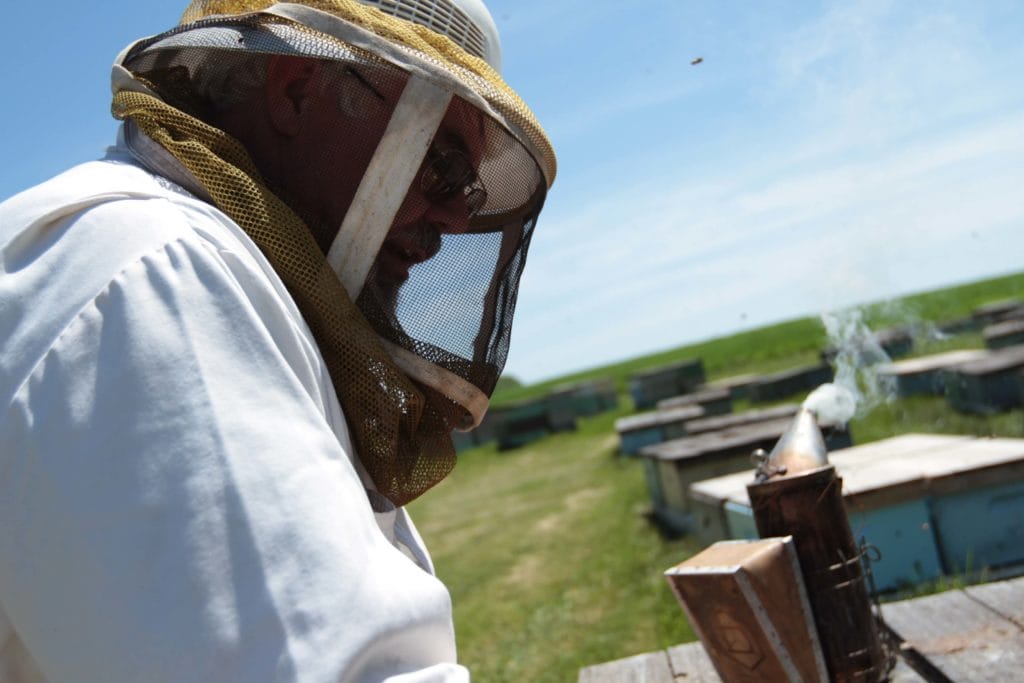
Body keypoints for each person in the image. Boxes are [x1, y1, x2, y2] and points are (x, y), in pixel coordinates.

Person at [0, 1, 556, 680]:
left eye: (466, 191)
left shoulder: (210, 276)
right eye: (440, 162)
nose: (448, 217)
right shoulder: (158, 278)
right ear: (296, 90)